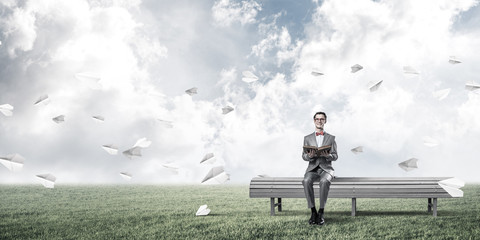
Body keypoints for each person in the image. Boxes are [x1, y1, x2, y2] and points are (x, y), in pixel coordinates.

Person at [301, 111, 338, 225]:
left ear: (325, 121)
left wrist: (328, 156)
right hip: (312, 168)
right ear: (314, 121)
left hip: (326, 168)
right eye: (317, 119)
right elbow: (303, 156)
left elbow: (335, 156)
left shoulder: (331, 138)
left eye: (322, 119)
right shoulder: (307, 138)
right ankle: (313, 211)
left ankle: (321, 211)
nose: (319, 121)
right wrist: (309, 156)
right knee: (306, 180)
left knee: (324, 181)